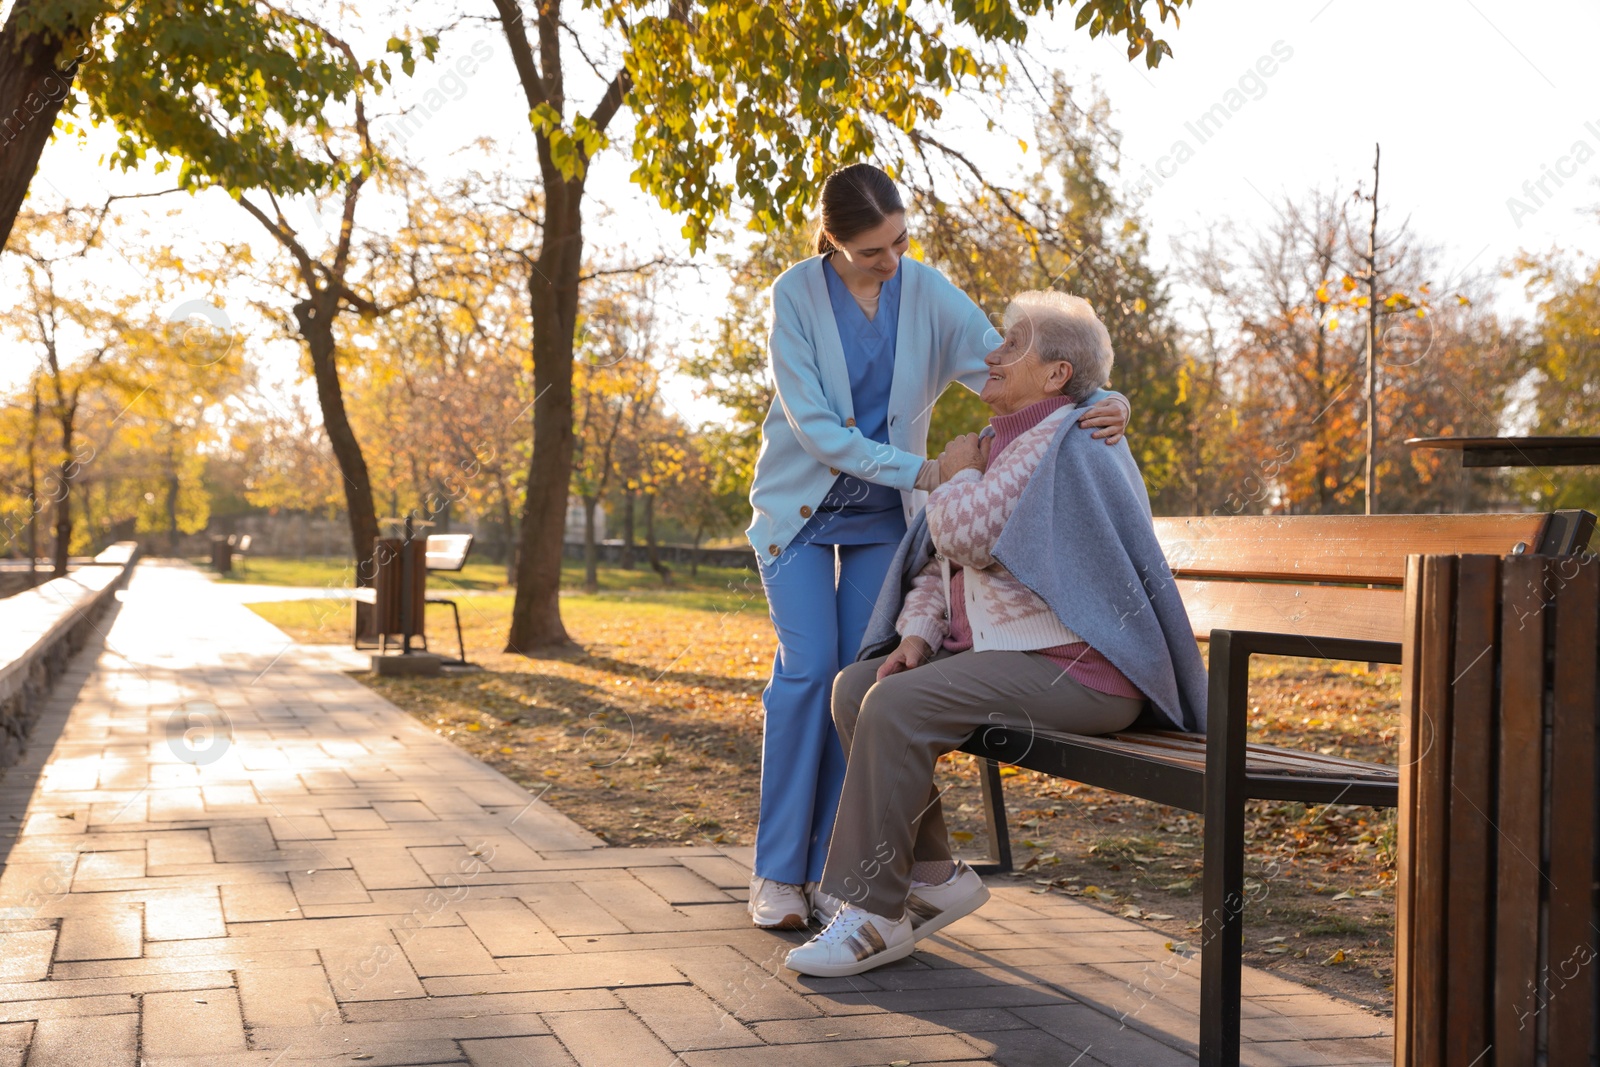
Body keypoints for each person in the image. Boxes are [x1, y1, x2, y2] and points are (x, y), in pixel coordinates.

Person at [744, 164, 1133, 930]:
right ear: (833, 242)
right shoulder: (792, 295)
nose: (891, 261)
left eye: (899, 240)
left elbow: (1017, 361)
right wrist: (927, 470)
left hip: (882, 522)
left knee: (852, 677)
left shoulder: (924, 290)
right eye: (872, 252)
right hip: (798, 512)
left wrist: (1104, 396)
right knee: (806, 671)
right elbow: (816, 429)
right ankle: (776, 872)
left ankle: (831, 870)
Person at [783, 290, 1208, 977]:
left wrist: (959, 474)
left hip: (1083, 668)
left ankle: (870, 913)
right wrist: (916, 638)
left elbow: (967, 534)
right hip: (1010, 657)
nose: (993, 354)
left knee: (896, 705)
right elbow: (937, 566)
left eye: (1014, 344)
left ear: (1056, 375)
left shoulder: (1068, 439)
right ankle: (932, 875)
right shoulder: (1000, 443)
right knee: (859, 686)